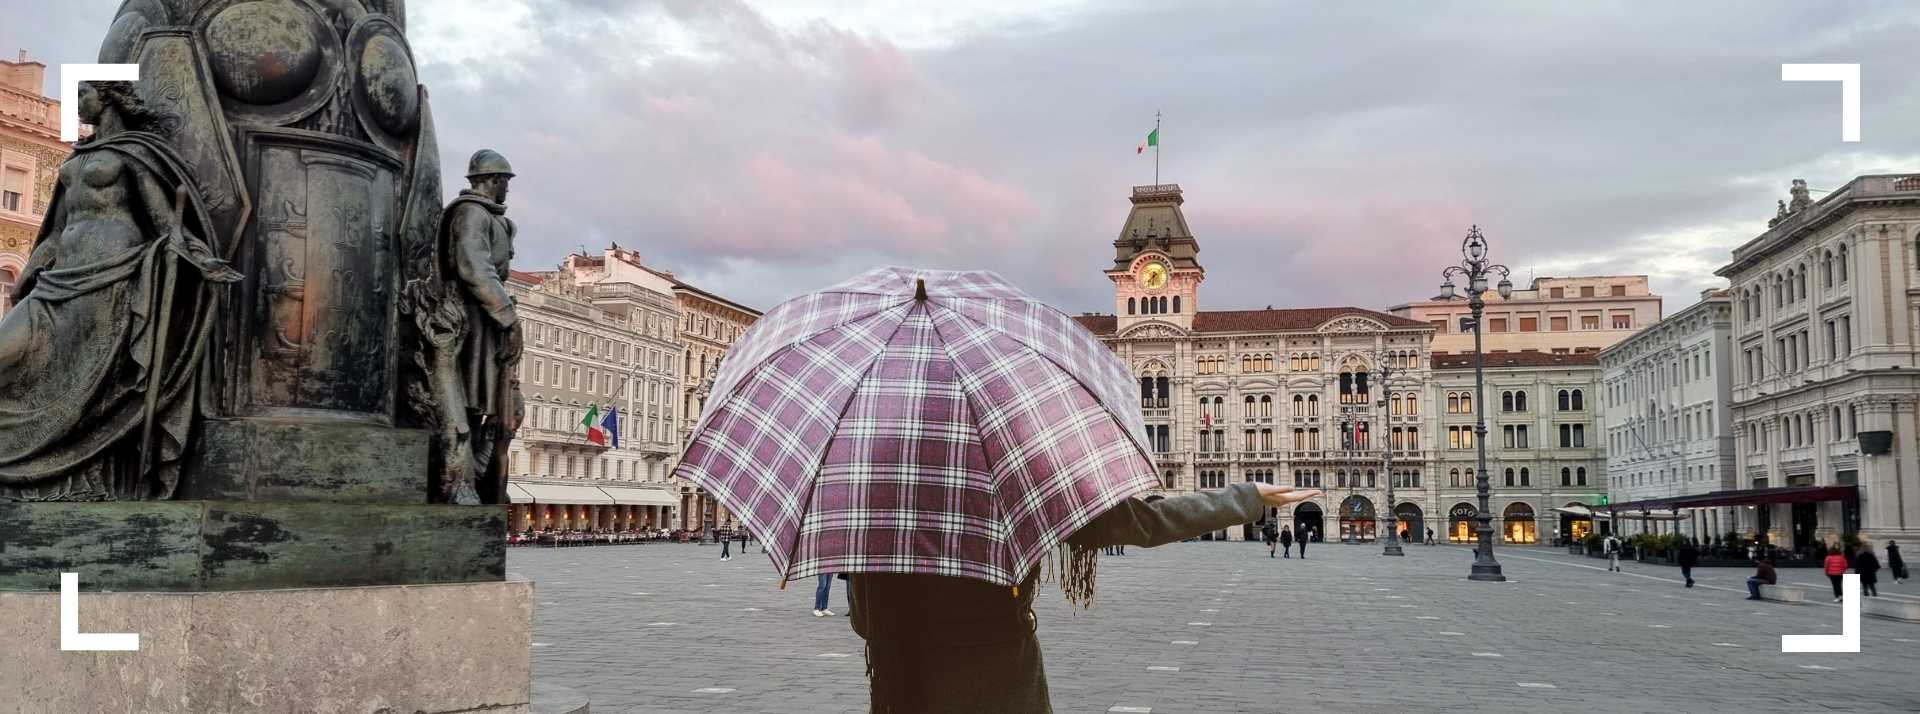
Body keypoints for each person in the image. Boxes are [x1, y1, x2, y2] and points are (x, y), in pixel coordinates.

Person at [849, 482, 1317, 713]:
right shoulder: (1012, 479)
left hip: (902, 686)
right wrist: (1246, 497)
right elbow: (1140, 520)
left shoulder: (866, 496)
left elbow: (864, 621)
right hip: (1004, 684)